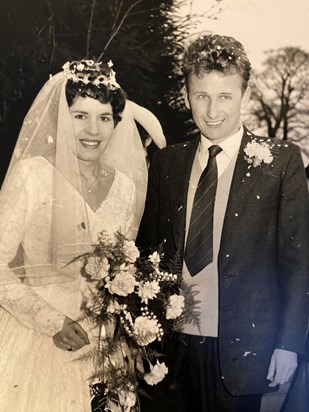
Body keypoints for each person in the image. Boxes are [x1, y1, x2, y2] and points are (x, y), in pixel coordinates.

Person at [137, 34, 309, 412]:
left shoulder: (281, 163)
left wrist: (290, 343)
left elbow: (298, 263)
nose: (212, 110)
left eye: (225, 96)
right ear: (187, 96)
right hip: (170, 350)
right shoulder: (168, 164)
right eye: (201, 96)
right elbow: (148, 253)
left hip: (242, 351)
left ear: (245, 96)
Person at [0, 59, 165, 411]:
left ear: (116, 124)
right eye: (80, 116)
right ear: (62, 117)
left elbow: (122, 272)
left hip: (103, 346)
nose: (94, 130)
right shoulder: (33, 176)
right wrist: (50, 321)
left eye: (104, 118)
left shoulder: (124, 187)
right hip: (38, 336)